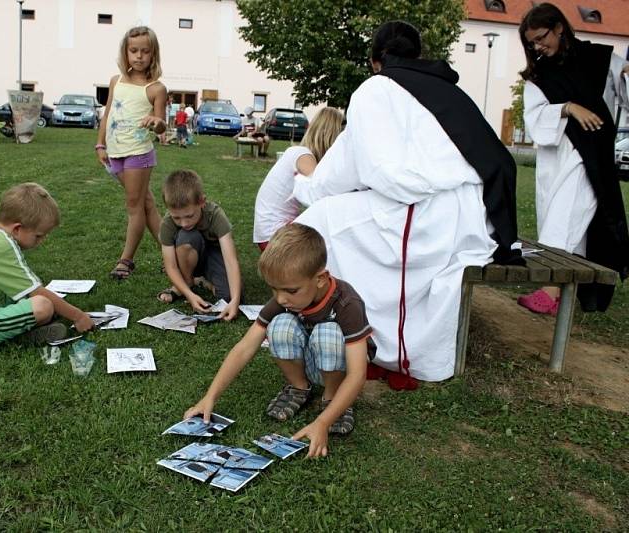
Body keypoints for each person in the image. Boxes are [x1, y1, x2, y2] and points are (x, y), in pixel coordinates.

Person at [292, 21, 521, 387]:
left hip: (430, 213)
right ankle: (354, 329)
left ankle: (381, 346)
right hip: (475, 217)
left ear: (374, 61)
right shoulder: (450, 90)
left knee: (320, 222)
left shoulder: (377, 88)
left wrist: (306, 186)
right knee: (334, 219)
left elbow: (375, 170)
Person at [184, 224, 371, 458]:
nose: (281, 298)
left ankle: (332, 398)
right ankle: (298, 388)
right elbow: (244, 348)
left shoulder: (347, 303)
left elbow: (357, 374)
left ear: (321, 279)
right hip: (310, 359)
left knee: (328, 334)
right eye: (274, 289)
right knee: (280, 325)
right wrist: (209, 397)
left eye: (291, 290)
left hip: (338, 365)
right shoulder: (284, 300)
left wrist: (322, 423)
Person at [518, 2, 629, 315]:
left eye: (542, 37)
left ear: (559, 28)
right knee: (564, 220)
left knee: (565, 219)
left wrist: (626, 72)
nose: (538, 46)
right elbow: (535, 119)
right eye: (532, 42)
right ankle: (563, 290)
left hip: (589, 159)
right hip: (555, 161)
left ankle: (550, 290)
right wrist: (567, 107)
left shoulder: (601, 59)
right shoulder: (538, 76)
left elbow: (625, 95)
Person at [0, 183, 94, 348]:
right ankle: (19, 338)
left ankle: (22, 330)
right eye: (39, 236)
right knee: (43, 306)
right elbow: (35, 291)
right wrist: (78, 316)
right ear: (17, 229)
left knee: (42, 304)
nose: (42, 241)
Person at [95, 26, 167, 280]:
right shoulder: (116, 81)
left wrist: (154, 122)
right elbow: (108, 114)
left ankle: (125, 260)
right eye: (133, 50)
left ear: (153, 54)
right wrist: (100, 144)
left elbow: (162, 125)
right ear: (125, 52)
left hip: (139, 154)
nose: (138, 56)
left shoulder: (156, 88)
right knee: (146, 204)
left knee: (135, 206)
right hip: (115, 153)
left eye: (145, 51)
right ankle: (170, 256)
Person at [157, 169, 243, 321]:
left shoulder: (216, 215)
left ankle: (202, 281)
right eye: (176, 217)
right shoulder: (167, 223)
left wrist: (235, 299)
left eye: (189, 216)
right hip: (188, 254)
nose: (184, 223)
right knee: (186, 236)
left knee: (227, 297)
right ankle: (186, 283)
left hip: (214, 255)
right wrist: (189, 296)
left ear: (202, 202)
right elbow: (170, 266)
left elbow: (231, 261)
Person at [253, 106, 344, 250]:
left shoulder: (298, 153)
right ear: (332, 136)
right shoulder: (303, 156)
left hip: (267, 232)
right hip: (274, 235)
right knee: (334, 239)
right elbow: (321, 193)